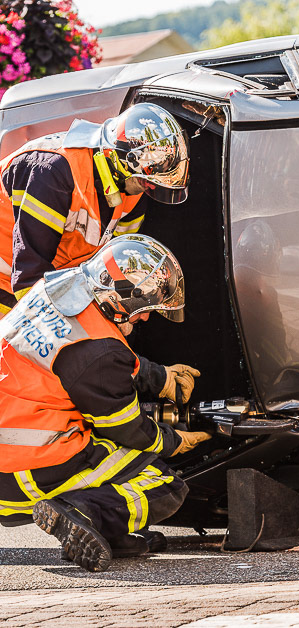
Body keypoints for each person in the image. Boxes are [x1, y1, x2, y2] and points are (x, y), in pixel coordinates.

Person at [0, 234, 212, 572]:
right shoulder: (97, 353)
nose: (144, 318)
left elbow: (93, 360)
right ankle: (84, 513)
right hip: (26, 467)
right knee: (163, 484)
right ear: (120, 298)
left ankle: (112, 535)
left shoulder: (61, 288)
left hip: (16, 448)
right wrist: (173, 441)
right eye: (142, 308)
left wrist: (160, 377)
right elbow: (127, 429)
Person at [0, 102, 200, 409]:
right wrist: (142, 370)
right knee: (26, 379)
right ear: (121, 161)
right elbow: (31, 285)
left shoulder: (132, 193)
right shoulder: (53, 171)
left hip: (48, 279)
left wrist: (122, 318)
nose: (147, 191)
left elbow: (116, 270)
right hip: (13, 284)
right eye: (146, 182)